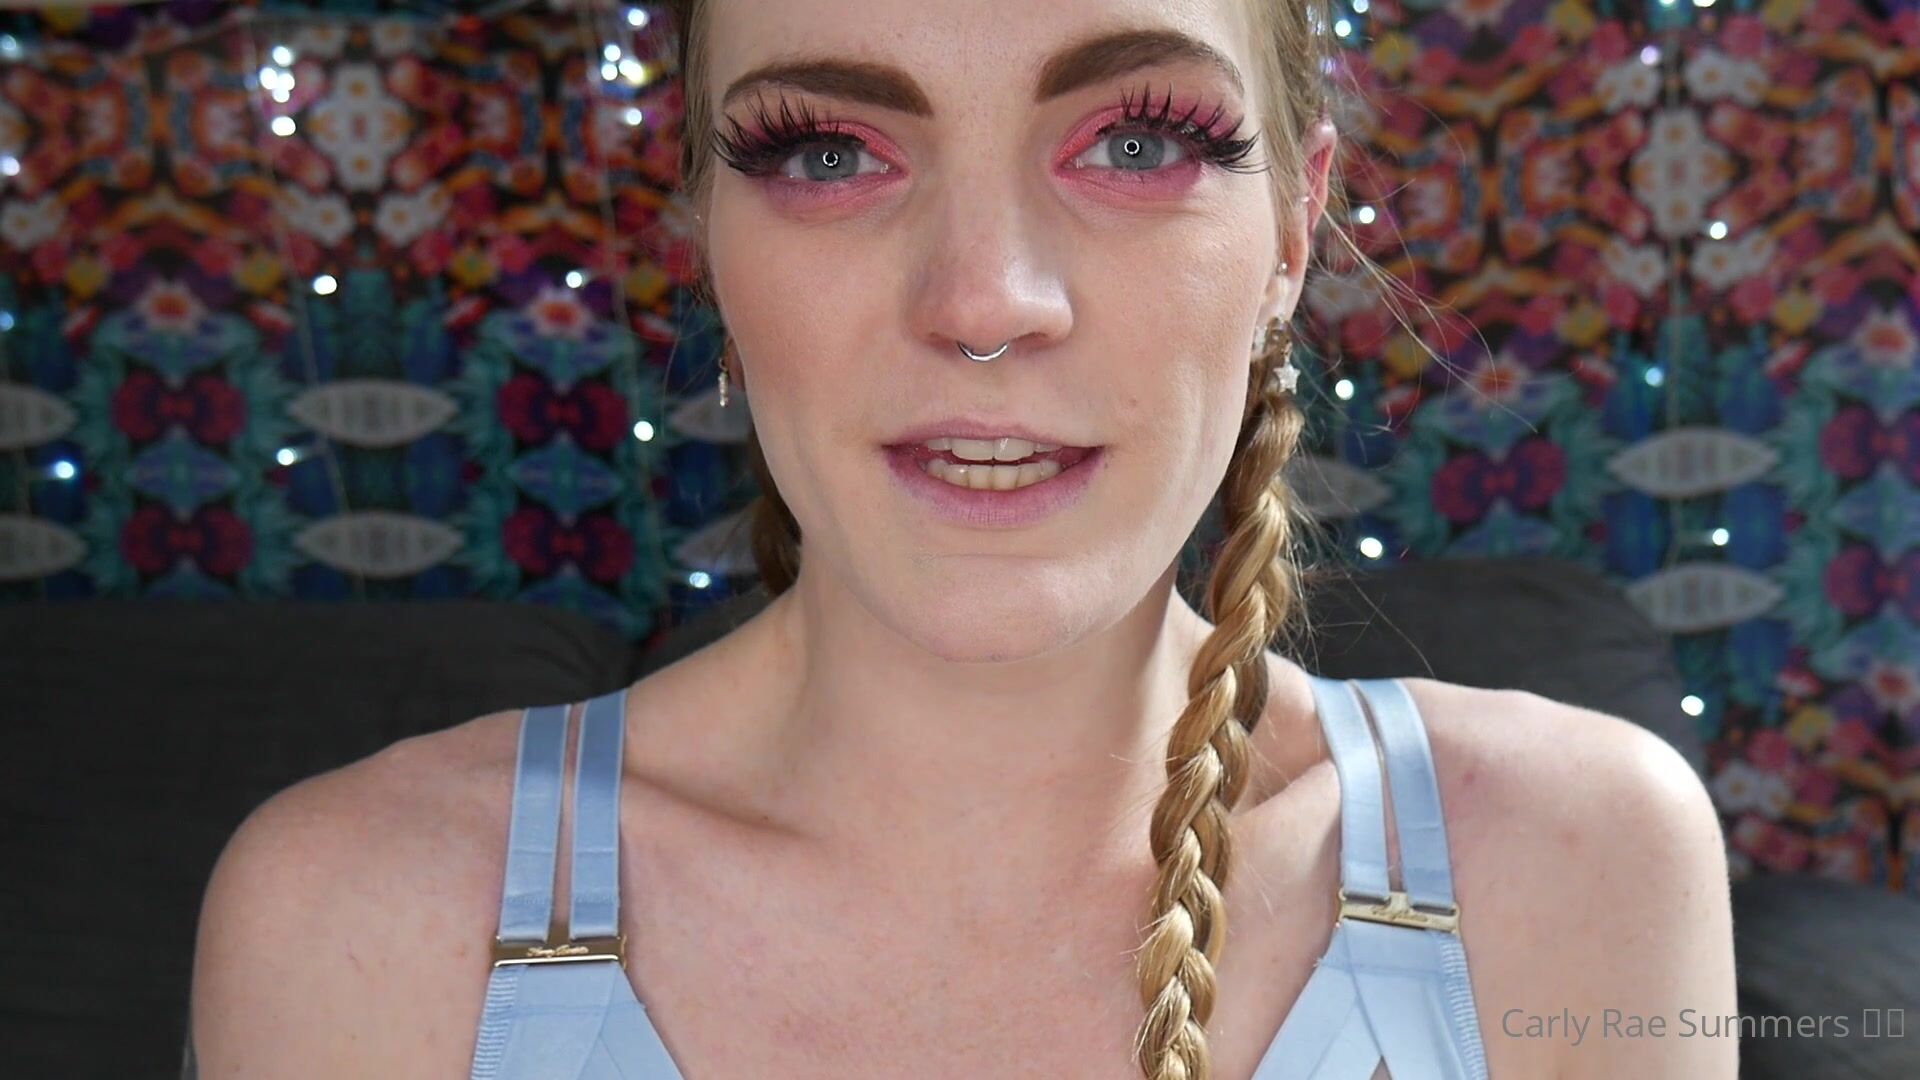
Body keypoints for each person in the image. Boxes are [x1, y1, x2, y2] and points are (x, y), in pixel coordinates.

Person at [188, 0, 1739, 1077]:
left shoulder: (1577, 864)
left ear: (1289, 232)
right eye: (827, 153)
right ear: (708, 234)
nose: (986, 301)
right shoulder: (365, 919)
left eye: (1137, 143)